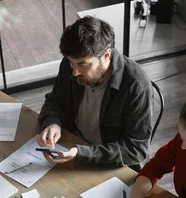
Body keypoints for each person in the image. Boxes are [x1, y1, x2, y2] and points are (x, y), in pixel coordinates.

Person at [37, 16, 153, 168]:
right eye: (71, 62)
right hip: (70, 146)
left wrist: (83, 153)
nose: (75, 72)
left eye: (82, 65)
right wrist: (53, 123)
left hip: (108, 163)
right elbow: (55, 102)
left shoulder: (136, 86)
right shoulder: (70, 65)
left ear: (106, 55)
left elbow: (136, 149)